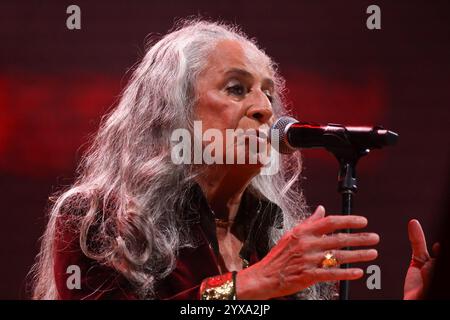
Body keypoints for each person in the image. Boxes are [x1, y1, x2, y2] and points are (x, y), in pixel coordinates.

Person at [30, 19, 435, 300]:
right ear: (173, 111)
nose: (264, 108)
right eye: (237, 89)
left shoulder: (274, 238)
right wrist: (248, 286)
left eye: (268, 93)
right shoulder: (98, 218)